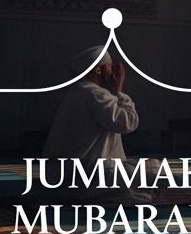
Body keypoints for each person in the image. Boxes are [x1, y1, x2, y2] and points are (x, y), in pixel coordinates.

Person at [41, 45, 150, 202]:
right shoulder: (95, 94)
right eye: (110, 67)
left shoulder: (74, 92)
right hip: (88, 175)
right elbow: (128, 123)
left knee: (138, 169)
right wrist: (119, 91)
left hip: (66, 175)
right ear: (98, 70)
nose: (114, 73)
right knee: (155, 173)